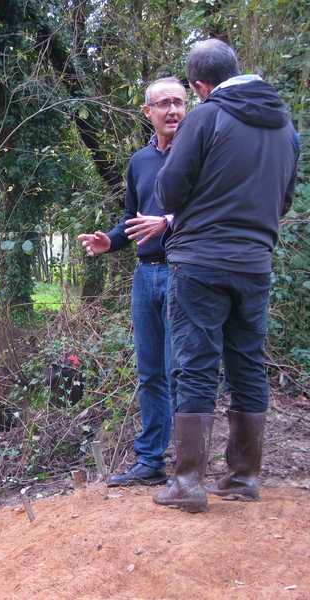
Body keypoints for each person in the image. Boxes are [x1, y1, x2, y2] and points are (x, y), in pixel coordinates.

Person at [153, 39, 299, 513]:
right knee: (247, 362)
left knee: (195, 361)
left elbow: (170, 194)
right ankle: (243, 478)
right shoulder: (285, 126)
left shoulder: (207, 116)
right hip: (255, 263)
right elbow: (284, 202)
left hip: (200, 261)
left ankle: (188, 482)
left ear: (199, 86)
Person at [77, 77, 187, 487]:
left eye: (179, 102)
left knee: (181, 370)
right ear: (148, 112)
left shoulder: (200, 154)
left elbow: (213, 208)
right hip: (146, 276)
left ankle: (187, 465)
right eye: (164, 104)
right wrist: (110, 240)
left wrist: (169, 223)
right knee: (150, 372)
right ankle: (151, 460)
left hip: (184, 271)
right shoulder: (140, 162)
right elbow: (132, 220)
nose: (173, 111)